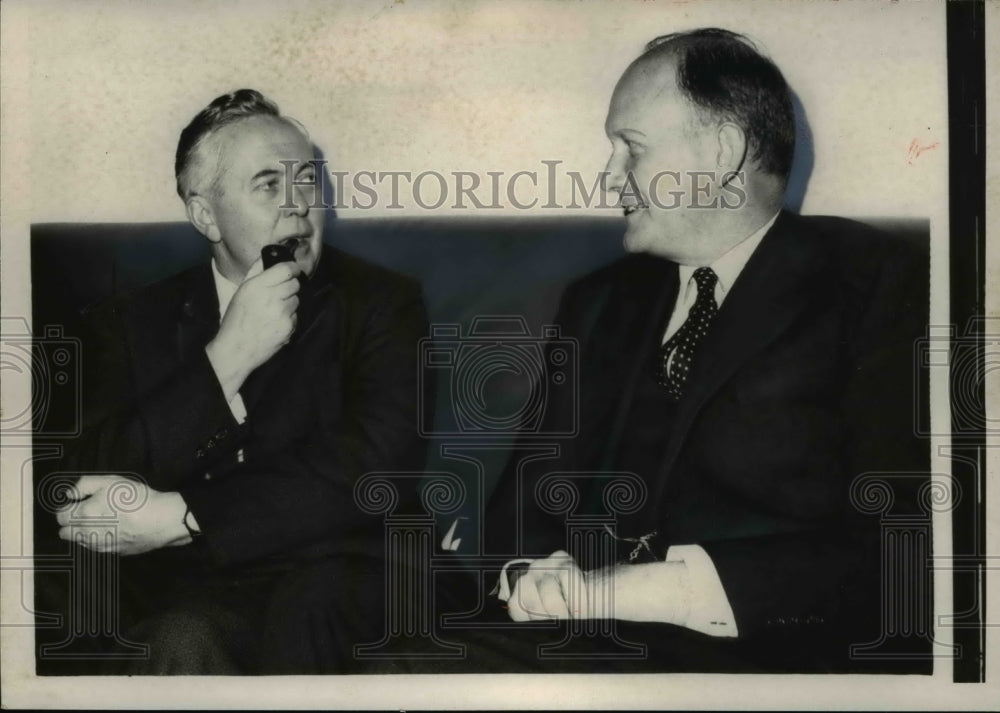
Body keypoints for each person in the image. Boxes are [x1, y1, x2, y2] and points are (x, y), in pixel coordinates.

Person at [478, 28, 930, 672]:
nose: (609, 179)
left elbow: (908, 543)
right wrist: (529, 572)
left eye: (629, 148)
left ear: (722, 151)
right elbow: (518, 510)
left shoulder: (881, 282)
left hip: (768, 655)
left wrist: (645, 592)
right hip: (570, 644)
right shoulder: (598, 300)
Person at [42, 89, 429, 674]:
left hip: (336, 572)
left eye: (308, 181)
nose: (299, 204)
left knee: (272, 618)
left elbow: (373, 468)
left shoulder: (382, 303)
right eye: (269, 184)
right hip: (190, 587)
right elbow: (82, 479)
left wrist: (187, 514)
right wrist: (226, 359)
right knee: (152, 629)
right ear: (205, 215)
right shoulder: (125, 323)